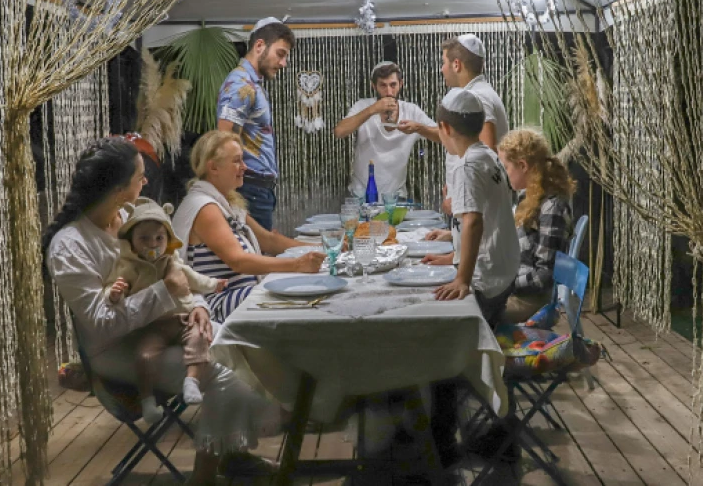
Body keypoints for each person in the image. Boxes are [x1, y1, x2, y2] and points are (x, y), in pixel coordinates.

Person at [44, 137, 280, 482]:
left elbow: (176, 268)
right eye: (140, 177)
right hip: (118, 349)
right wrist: (164, 292)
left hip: (170, 325)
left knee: (241, 347)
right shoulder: (70, 245)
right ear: (117, 187)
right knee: (223, 376)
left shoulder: (131, 215)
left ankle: (233, 455)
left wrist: (197, 305)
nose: (145, 183)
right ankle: (205, 477)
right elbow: (103, 323)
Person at [427, 88, 520, 469]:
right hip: (503, 270)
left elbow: (474, 221)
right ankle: (493, 432)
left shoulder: (467, 165)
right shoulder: (487, 155)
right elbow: (490, 218)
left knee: (446, 355)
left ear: (445, 128)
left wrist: (462, 277)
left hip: (485, 277)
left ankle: (444, 446)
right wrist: (453, 255)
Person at [172, 130, 326, 323]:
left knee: (311, 290)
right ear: (213, 168)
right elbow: (239, 261)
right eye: (237, 161)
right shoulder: (205, 207)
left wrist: (322, 249)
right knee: (306, 298)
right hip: (217, 302)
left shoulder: (227, 203)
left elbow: (269, 240)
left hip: (240, 293)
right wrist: (297, 265)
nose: (244, 167)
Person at [105, 197, 226, 422]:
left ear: (168, 240)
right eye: (144, 239)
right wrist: (114, 293)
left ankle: (192, 380)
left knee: (199, 338)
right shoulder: (128, 267)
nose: (153, 244)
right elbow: (113, 289)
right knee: (145, 355)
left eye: (159, 238)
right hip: (152, 325)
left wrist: (212, 285)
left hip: (180, 320)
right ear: (131, 242)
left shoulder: (171, 261)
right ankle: (147, 400)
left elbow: (193, 279)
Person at [427, 34, 511, 252]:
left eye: (443, 62)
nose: (441, 69)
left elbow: (485, 158)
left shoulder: (477, 98)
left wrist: (458, 204)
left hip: (476, 226)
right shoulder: (476, 93)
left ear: (456, 64)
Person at [217, 17, 295, 230]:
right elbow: (224, 142)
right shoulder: (241, 86)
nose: (283, 63)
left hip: (256, 188)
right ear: (259, 45)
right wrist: (232, 197)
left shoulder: (251, 84)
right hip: (248, 189)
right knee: (258, 258)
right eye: (281, 54)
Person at [498, 128, 576, 323]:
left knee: (477, 315)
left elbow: (543, 276)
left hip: (532, 302)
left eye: (506, 167)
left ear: (522, 165)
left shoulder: (552, 206)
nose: (504, 174)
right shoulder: (528, 197)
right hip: (519, 293)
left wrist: (504, 285)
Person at [333, 61, 439, 198]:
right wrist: (372, 110)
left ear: (401, 84)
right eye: (383, 85)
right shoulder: (363, 106)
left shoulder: (411, 110)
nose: (389, 92)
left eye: (393, 85)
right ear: (374, 86)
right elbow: (339, 132)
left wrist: (419, 128)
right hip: (361, 194)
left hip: (396, 196)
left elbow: (443, 136)